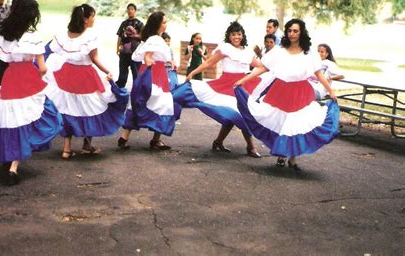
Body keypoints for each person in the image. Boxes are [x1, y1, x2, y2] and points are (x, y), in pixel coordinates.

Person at [0, 0, 63, 186]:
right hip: (28, 79)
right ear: (32, 15)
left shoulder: (0, 33)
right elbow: (42, 68)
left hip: (9, 78)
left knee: (10, 118)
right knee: (41, 116)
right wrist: (47, 73)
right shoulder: (33, 38)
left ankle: (8, 157)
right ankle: (13, 167)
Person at [234, 18, 340, 171]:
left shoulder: (309, 52)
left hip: (301, 91)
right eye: (289, 30)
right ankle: (283, 155)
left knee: (295, 123)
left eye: (295, 31)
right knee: (281, 121)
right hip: (282, 90)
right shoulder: (279, 50)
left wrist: (330, 90)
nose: (292, 33)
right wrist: (243, 80)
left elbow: (318, 73)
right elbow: (263, 67)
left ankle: (292, 158)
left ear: (301, 32)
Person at [44, 4, 129, 159]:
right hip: (85, 76)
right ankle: (86, 145)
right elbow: (94, 59)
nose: (94, 19)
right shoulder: (90, 36)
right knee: (91, 107)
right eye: (92, 16)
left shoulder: (65, 35)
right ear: (85, 19)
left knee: (68, 108)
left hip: (67, 75)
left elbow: (55, 53)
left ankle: (66, 148)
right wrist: (107, 71)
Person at [172, 21, 262, 157]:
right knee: (237, 115)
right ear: (229, 36)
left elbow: (261, 67)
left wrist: (253, 78)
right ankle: (250, 147)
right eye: (233, 34)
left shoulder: (248, 52)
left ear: (243, 35)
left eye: (239, 34)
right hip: (226, 85)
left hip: (241, 85)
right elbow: (208, 62)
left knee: (237, 115)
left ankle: (219, 141)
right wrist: (193, 73)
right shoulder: (225, 49)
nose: (236, 37)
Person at [117, 12, 178, 150]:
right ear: (157, 24)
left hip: (153, 72)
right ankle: (155, 139)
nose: (166, 24)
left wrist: (169, 61)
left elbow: (152, 54)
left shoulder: (153, 38)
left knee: (141, 102)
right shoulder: (156, 39)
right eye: (164, 22)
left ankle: (124, 137)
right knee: (164, 104)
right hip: (155, 74)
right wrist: (149, 61)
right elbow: (148, 56)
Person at [115, 3, 144, 88]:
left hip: (135, 52)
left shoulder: (139, 23)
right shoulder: (124, 23)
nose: (130, 11)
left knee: (137, 73)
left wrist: (135, 36)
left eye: (132, 9)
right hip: (124, 52)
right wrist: (117, 48)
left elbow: (144, 36)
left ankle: (137, 91)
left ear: (135, 11)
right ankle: (120, 91)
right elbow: (120, 36)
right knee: (122, 73)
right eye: (128, 9)